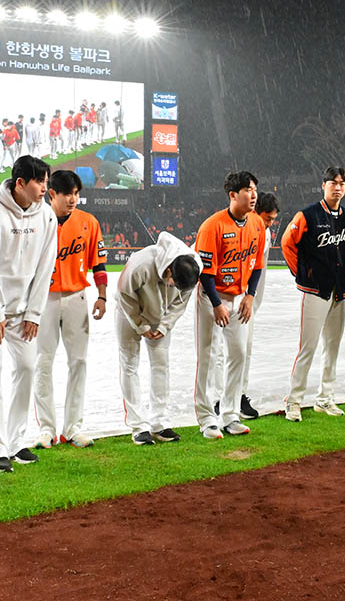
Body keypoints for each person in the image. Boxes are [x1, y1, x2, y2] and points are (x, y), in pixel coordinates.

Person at [0, 156, 58, 472]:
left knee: (25, 368)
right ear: (20, 183)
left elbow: (46, 265)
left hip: (23, 314)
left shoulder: (47, 216)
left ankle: (17, 441)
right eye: (39, 182)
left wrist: (34, 312)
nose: (45, 188)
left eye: (46, 182)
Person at [32, 170, 108, 450]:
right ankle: (46, 429)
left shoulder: (88, 222)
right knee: (42, 362)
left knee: (79, 362)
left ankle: (73, 427)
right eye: (68, 194)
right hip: (44, 300)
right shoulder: (37, 220)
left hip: (77, 296)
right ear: (52, 194)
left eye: (76, 193)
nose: (73, 199)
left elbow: (98, 263)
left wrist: (102, 297)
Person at [193, 171, 265, 440]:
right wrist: (216, 304)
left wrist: (250, 295)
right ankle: (206, 418)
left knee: (238, 354)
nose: (254, 194)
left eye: (255, 189)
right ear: (233, 195)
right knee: (208, 357)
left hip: (239, 297)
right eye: (247, 190)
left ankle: (230, 414)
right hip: (211, 297)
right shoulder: (213, 226)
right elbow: (205, 273)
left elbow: (257, 264)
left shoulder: (256, 223)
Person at [282, 166, 345, 421]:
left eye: (342, 183)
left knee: (332, 348)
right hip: (315, 291)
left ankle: (325, 399)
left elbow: (344, 253)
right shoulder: (308, 215)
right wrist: (302, 274)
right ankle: (294, 401)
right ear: (323, 185)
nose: (338, 187)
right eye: (333, 182)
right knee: (308, 348)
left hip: (338, 291)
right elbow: (287, 243)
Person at [115, 233, 201, 445]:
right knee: (129, 364)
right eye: (173, 282)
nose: (173, 287)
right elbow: (124, 295)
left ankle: (159, 423)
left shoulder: (192, 268)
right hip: (130, 313)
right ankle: (138, 426)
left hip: (161, 317)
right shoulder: (141, 264)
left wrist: (164, 326)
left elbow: (180, 302)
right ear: (169, 270)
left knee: (161, 366)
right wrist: (141, 325)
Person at [240, 191, 280, 420]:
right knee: (224, 352)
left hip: (251, 301)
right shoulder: (243, 230)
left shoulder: (264, 232)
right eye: (268, 218)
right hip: (235, 297)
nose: (270, 223)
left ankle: (239, 394)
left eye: (273, 219)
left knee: (245, 349)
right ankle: (218, 398)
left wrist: (252, 297)